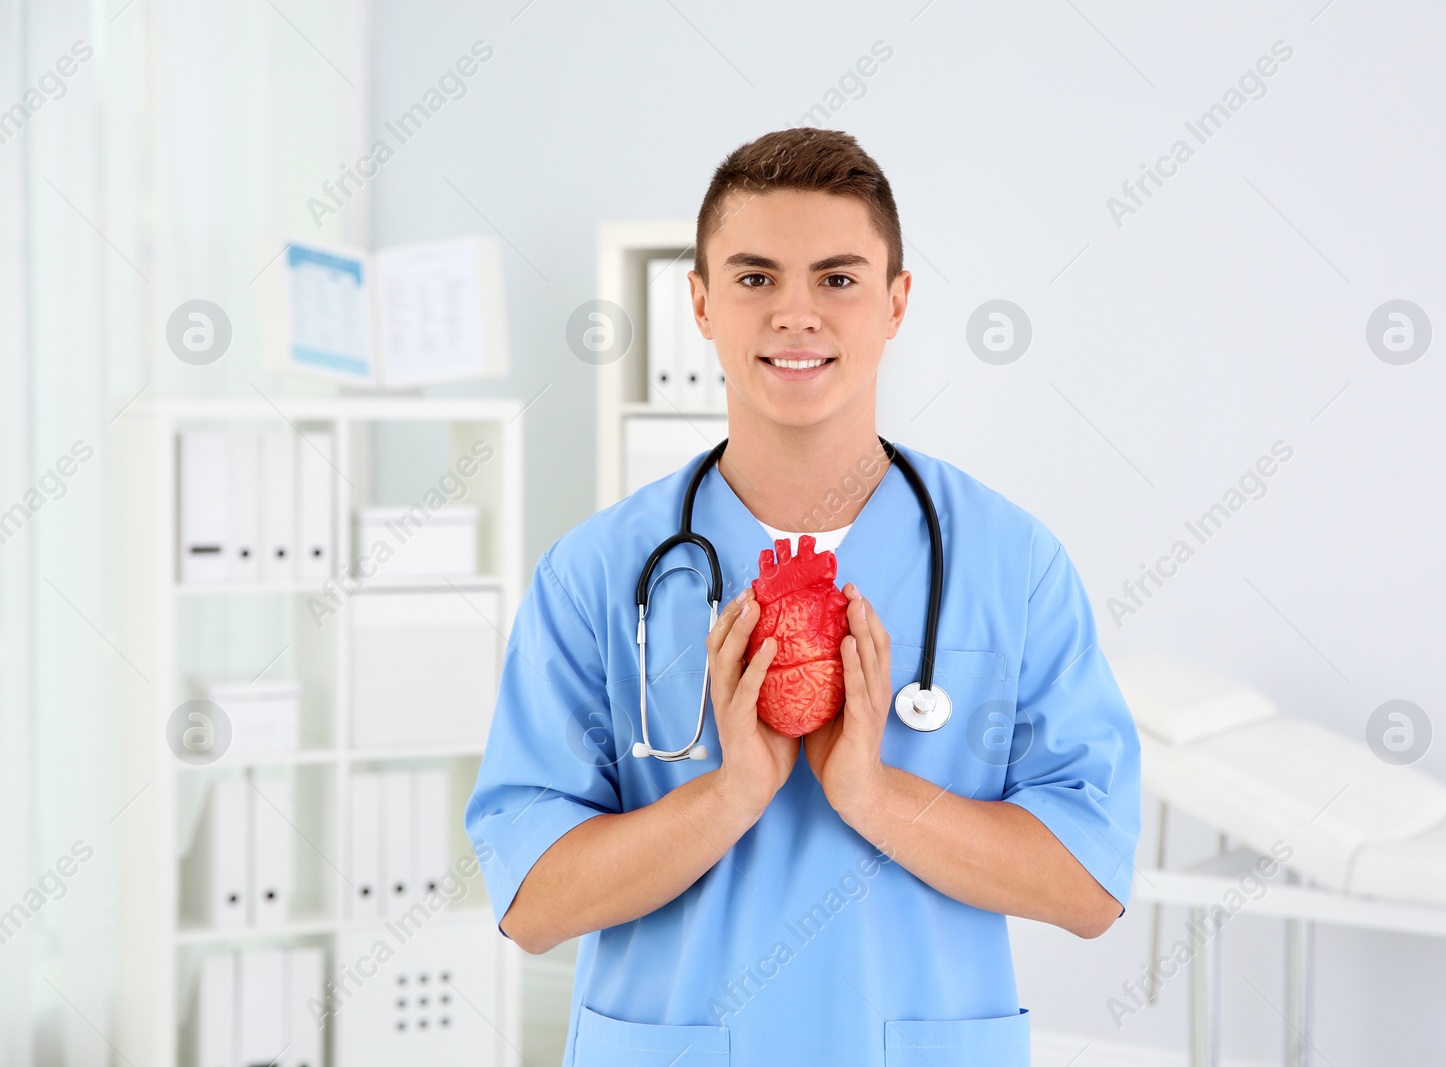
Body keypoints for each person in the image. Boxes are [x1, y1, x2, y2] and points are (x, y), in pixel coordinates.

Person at [465, 127, 1141, 1066]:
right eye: (753, 279)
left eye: (837, 278)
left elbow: (1090, 884)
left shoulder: (1010, 562)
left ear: (897, 302)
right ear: (700, 303)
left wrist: (870, 790)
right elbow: (532, 903)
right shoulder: (597, 573)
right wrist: (733, 791)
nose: (795, 314)